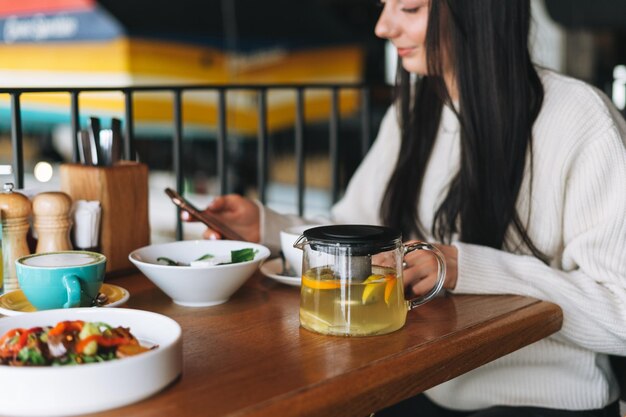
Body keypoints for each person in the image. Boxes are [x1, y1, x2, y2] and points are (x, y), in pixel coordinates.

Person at [185, 0, 626, 415]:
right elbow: (353, 228)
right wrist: (264, 225)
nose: (383, 26)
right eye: (384, 5)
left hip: (548, 401)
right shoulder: (417, 106)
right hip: (428, 381)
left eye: (410, 7)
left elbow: (620, 313)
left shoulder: (582, 120)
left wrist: (462, 267)